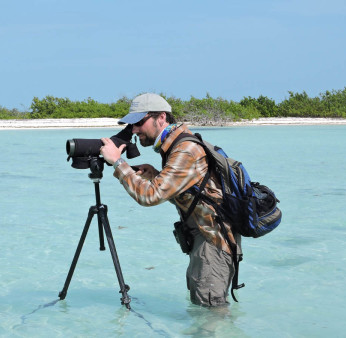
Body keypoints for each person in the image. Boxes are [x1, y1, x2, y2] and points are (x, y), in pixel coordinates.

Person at [100, 93, 242, 307]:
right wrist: (156, 175)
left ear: (161, 118)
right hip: (206, 240)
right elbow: (194, 195)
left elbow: (149, 196)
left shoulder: (184, 149)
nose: (135, 130)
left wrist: (118, 162)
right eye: (132, 124)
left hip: (213, 242)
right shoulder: (176, 145)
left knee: (212, 319)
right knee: (205, 312)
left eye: (139, 122)